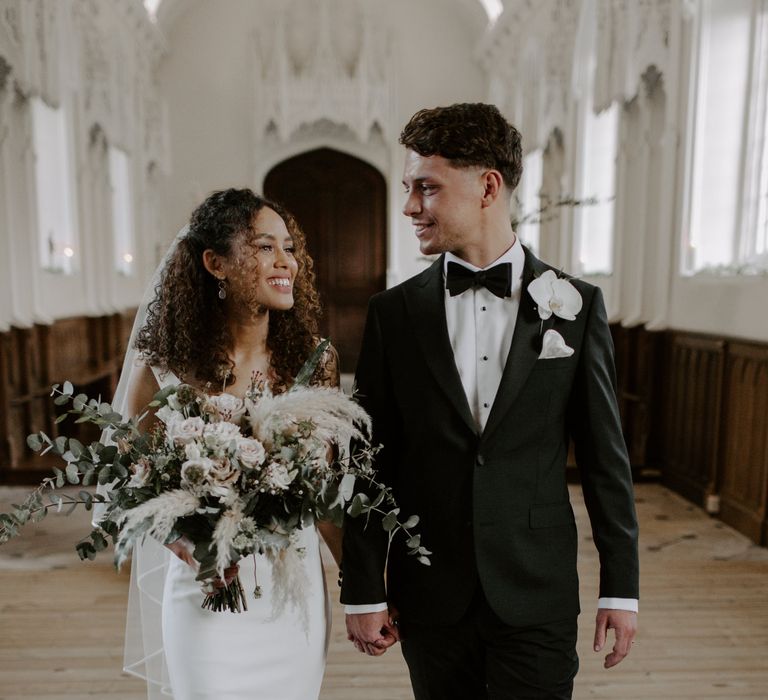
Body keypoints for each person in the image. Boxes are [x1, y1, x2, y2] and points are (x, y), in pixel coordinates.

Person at [341, 103, 639, 699]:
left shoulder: (576, 306)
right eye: (408, 189)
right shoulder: (393, 315)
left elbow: (606, 460)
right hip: (429, 591)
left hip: (536, 588)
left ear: (488, 186)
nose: (409, 208)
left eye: (426, 189)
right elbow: (368, 462)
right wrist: (365, 589)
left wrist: (620, 587)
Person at [113, 188, 341, 700]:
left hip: (291, 593)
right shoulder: (163, 366)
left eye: (289, 247)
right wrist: (181, 535)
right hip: (204, 589)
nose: (287, 262)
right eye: (264, 247)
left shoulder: (314, 361)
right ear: (215, 263)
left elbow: (326, 493)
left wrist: (364, 589)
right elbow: (129, 480)